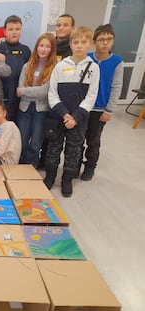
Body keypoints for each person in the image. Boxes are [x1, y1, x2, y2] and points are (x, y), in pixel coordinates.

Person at [44, 26, 100, 197]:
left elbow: (91, 97)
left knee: (73, 151)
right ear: (70, 44)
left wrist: (75, 117)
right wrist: (63, 113)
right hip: (59, 117)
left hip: (79, 120)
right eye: (76, 42)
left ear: (90, 44)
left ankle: (67, 180)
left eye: (83, 42)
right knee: (53, 148)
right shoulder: (61, 66)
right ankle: (50, 176)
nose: (79, 46)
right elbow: (52, 93)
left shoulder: (93, 68)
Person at [80, 24, 123, 181]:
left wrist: (109, 110)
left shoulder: (117, 62)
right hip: (83, 107)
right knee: (78, 138)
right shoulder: (87, 58)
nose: (105, 43)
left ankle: (90, 167)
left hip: (99, 109)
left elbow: (116, 87)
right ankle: (75, 164)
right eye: (101, 39)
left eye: (109, 39)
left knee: (93, 140)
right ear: (94, 41)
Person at [38, 14, 75, 169]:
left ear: (72, 28)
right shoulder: (51, 47)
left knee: (67, 138)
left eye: (65, 25)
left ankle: (67, 168)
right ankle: (45, 161)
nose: (61, 28)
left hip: (67, 99)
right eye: (58, 25)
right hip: (48, 98)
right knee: (49, 133)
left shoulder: (73, 50)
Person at [16, 33, 57, 168]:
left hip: (41, 110)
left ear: (52, 50)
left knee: (35, 143)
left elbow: (45, 92)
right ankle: (20, 167)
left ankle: (31, 167)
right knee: (21, 141)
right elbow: (19, 91)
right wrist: (27, 92)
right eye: (41, 45)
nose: (43, 49)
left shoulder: (54, 68)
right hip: (24, 109)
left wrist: (25, 91)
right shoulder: (27, 66)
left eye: (47, 46)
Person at [0, 15, 31, 123]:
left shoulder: (26, 51)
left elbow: (30, 73)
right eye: (10, 29)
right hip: (1, 93)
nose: (14, 32)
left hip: (19, 95)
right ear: (4, 31)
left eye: (17, 29)